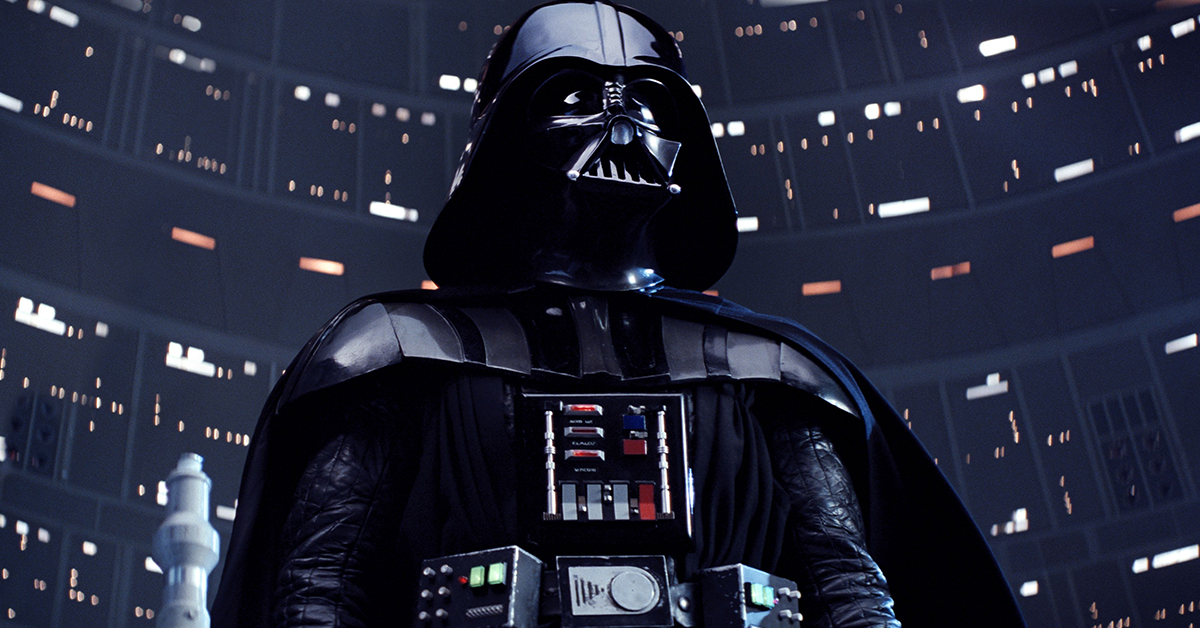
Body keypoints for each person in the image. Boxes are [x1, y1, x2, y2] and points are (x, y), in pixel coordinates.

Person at [212, 2, 1026, 627]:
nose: (622, 125)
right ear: (506, 140)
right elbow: (320, 589)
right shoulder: (397, 353)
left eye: (650, 102)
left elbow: (851, 590)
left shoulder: (776, 371)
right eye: (573, 97)